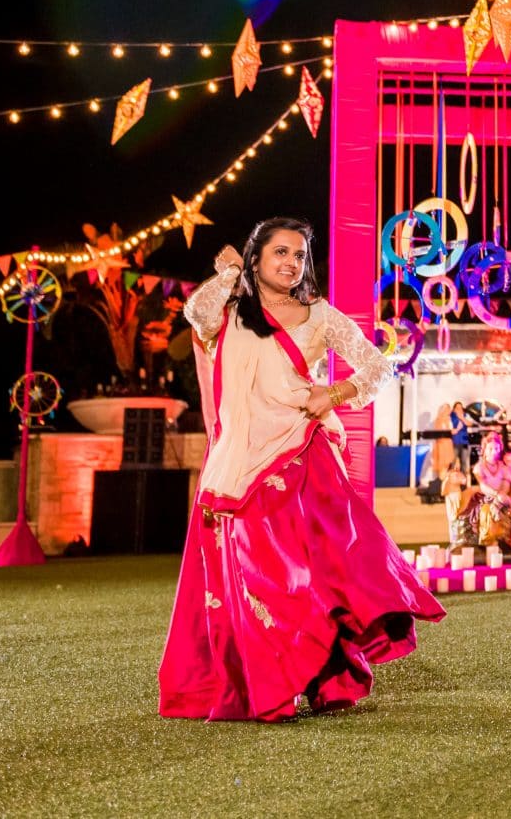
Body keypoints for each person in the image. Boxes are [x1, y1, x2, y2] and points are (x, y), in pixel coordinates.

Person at [159, 218, 443, 721]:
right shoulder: (227, 313)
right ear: (256, 258)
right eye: (281, 253)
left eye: (299, 255)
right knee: (257, 577)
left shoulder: (319, 315)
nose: (291, 263)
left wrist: (332, 394)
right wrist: (227, 277)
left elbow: (377, 365)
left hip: (301, 454)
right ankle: (270, 685)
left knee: (316, 576)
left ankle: (322, 681)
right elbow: (194, 311)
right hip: (242, 464)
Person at [447, 401, 476, 474]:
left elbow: (470, 424)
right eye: (457, 408)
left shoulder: (466, 415)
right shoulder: (451, 416)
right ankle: (451, 481)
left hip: (464, 442)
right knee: (452, 462)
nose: (459, 409)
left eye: (460, 408)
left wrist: (462, 418)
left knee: (464, 462)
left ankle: (463, 482)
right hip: (454, 442)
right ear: (454, 409)